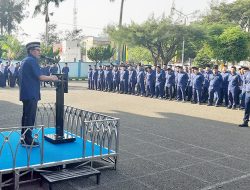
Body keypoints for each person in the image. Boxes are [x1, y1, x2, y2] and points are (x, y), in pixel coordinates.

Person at [19, 42, 58, 146]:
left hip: (26, 93)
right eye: (38, 50)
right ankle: (27, 140)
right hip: (31, 93)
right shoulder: (32, 61)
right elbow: (40, 77)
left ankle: (23, 138)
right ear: (31, 51)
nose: (40, 52)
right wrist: (52, 77)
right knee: (30, 117)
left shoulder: (25, 60)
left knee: (26, 117)